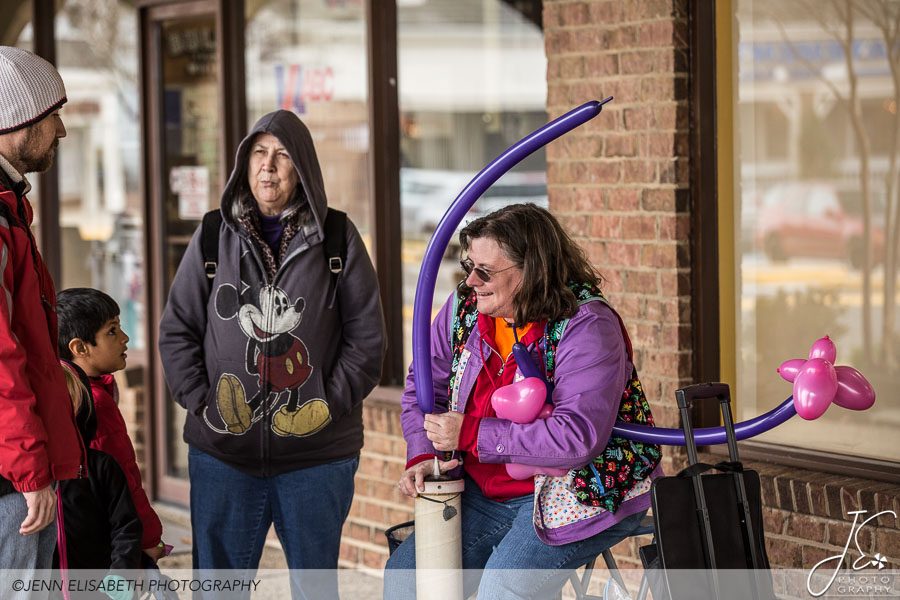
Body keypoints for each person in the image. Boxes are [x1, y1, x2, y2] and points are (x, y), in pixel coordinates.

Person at [159, 109, 386, 596]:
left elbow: (368, 342)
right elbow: (177, 330)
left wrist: (325, 400)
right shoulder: (211, 235)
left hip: (317, 459)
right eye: (259, 154)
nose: (269, 166)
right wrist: (204, 402)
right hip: (222, 457)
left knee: (314, 588)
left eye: (282, 156)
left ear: (302, 168)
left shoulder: (339, 238)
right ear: (244, 164)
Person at [384, 203, 663, 599]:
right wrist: (423, 451)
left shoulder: (587, 325)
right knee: (405, 577)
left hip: (578, 491)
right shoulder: (465, 310)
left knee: (503, 590)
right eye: (469, 267)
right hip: (484, 491)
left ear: (531, 269)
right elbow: (423, 387)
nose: (472, 281)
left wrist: (472, 433)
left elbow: (577, 437)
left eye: (486, 271)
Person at [0, 46, 83, 579]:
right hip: (9, 481)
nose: (61, 130)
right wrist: (31, 470)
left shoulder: (9, 207)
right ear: (18, 121)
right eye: (54, 115)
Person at [57, 287, 168, 563]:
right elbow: (123, 478)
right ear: (79, 348)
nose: (125, 338)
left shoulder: (73, 393)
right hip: (112, 545)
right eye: (112, 331)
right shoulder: (94, 404)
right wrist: (149, 539)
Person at [55, 361, 143, 577]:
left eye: (62, 406)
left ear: (79, 409)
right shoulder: (23, 478)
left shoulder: (102, 467)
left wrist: (121, 573)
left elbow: (126, 526)